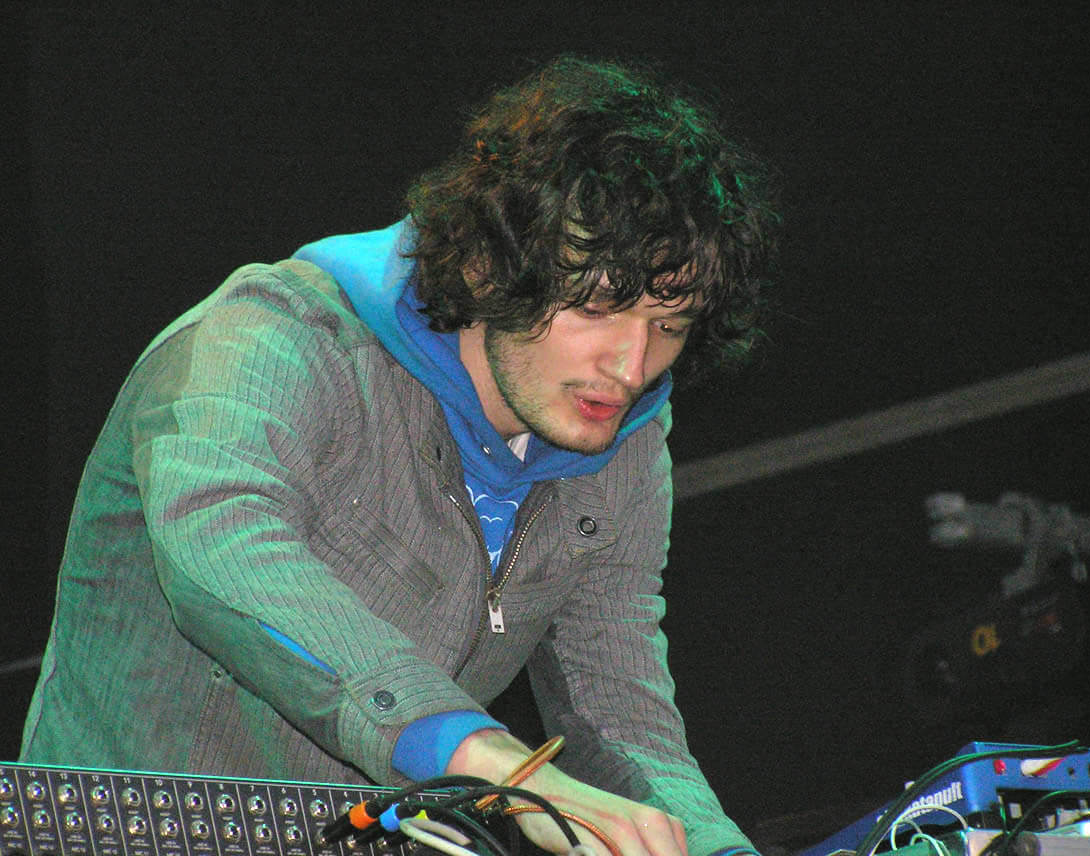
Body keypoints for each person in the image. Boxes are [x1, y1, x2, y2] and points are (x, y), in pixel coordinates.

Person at [21, 56, 779, 856]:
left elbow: (618, 712)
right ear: (489, 265)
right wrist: (488, 762)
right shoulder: (271, 339)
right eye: (595, 308)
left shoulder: (625, 443)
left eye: (668, 325)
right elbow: (224, 550)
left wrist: (712, 846)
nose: (630, 367)